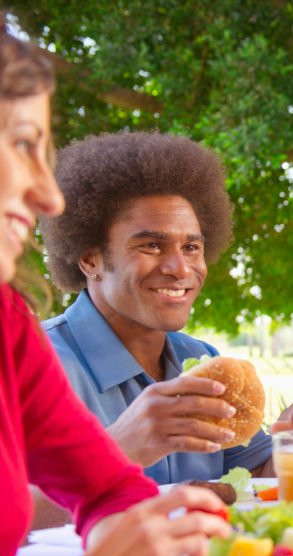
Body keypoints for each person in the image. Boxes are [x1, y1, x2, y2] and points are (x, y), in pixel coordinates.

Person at [0, 31, 229, 556]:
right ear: (90, 260)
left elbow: (107, 488)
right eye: (22, 146)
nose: (49, 196)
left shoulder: (6, 325)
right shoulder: (46, 341)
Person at [38, 131, 273, 485]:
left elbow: (257, 474)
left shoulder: (201, 359)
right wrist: (118, 450)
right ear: (90, 260)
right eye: (151, 245)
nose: (180, 268)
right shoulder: (32, 364)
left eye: (192, 247)